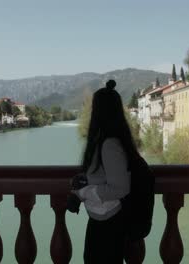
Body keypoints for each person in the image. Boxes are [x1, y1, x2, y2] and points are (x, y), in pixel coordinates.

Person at [73, 79, 140, 264]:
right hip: (102, 220)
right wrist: (85, 178)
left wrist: (85, 192)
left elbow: (120, 188)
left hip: (108, 225)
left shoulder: (109, 145)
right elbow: (104, 175)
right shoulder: (105, 141)